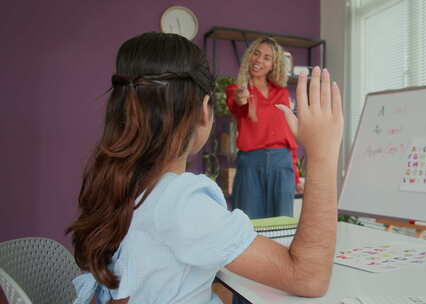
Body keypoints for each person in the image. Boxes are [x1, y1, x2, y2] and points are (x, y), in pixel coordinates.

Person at [67, 32, 343, 304]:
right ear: (203, 109)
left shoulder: (126, 183)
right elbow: (308, 277)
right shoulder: (183, 203)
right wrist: (322, 155)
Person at [226, 37, 303, 219]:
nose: (259, 60)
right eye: (256, 53)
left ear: (273, 64)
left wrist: (296, 175)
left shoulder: (282, 93)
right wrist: (242, 98)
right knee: (248, 224)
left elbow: (289, 137)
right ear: (249, 56)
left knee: (282, 223)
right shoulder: (236, 89)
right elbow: (238, 105)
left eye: (267, 57)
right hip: (251, 164)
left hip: (282, 164)